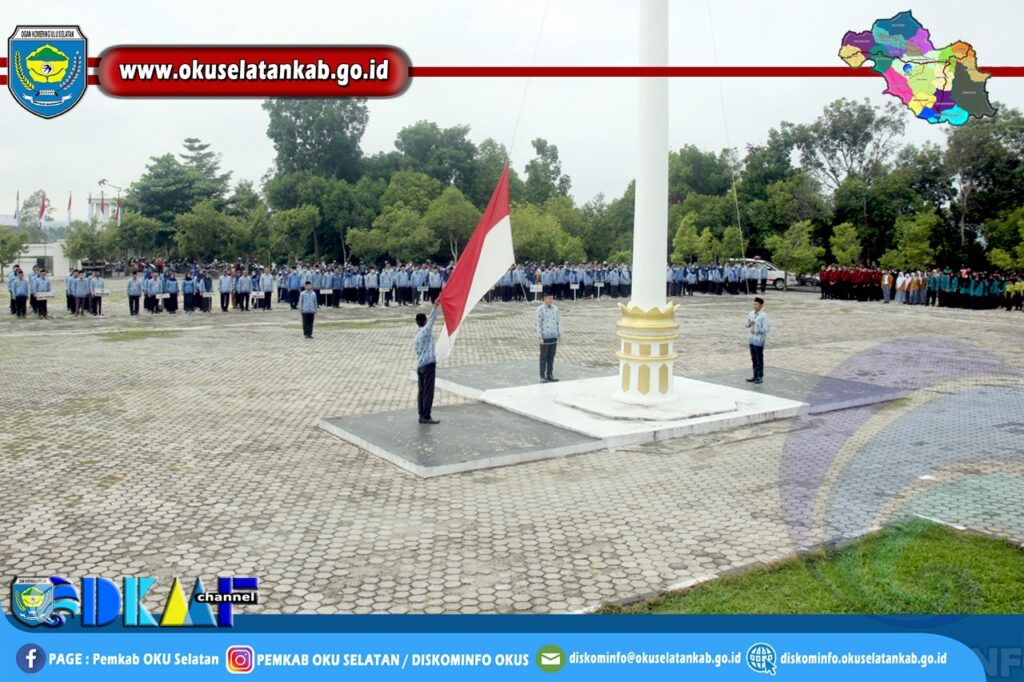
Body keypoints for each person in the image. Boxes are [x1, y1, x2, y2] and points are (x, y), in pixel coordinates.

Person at [414, 302, 442, 424]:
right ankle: (426, 415)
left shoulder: (416, 337)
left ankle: (421, 414)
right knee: (428, 392)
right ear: (425, 321)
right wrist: (435, 307)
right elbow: (432, 321)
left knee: (421, 391)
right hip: (428, 366)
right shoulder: (425, 332)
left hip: (420, 366)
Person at [536, 293, 561, 382]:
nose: (551, 300)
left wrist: (559, 334)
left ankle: (550, 374)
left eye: (552, 298)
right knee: (544, 357)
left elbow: (558, 322)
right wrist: (540, 337)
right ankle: (542, 375)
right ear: (545, 299)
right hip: (545, 337)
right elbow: (538, 324)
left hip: (553, 336)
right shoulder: (540, 309)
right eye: (549, 298)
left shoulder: (555, 309)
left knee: (551, 356)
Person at [745, 296, 769, 384]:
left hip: (759, 340)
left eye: (756, 304)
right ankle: (755, 375)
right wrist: (749, 323)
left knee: (759, 358)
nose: (755, 306)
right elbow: (746, 324)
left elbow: (766, 328)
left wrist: (757, 330)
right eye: (754, 304)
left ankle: (760, 376)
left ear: (761, 305)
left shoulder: (763, 316)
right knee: (754, 358)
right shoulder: (751, 313)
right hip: (751, 339)